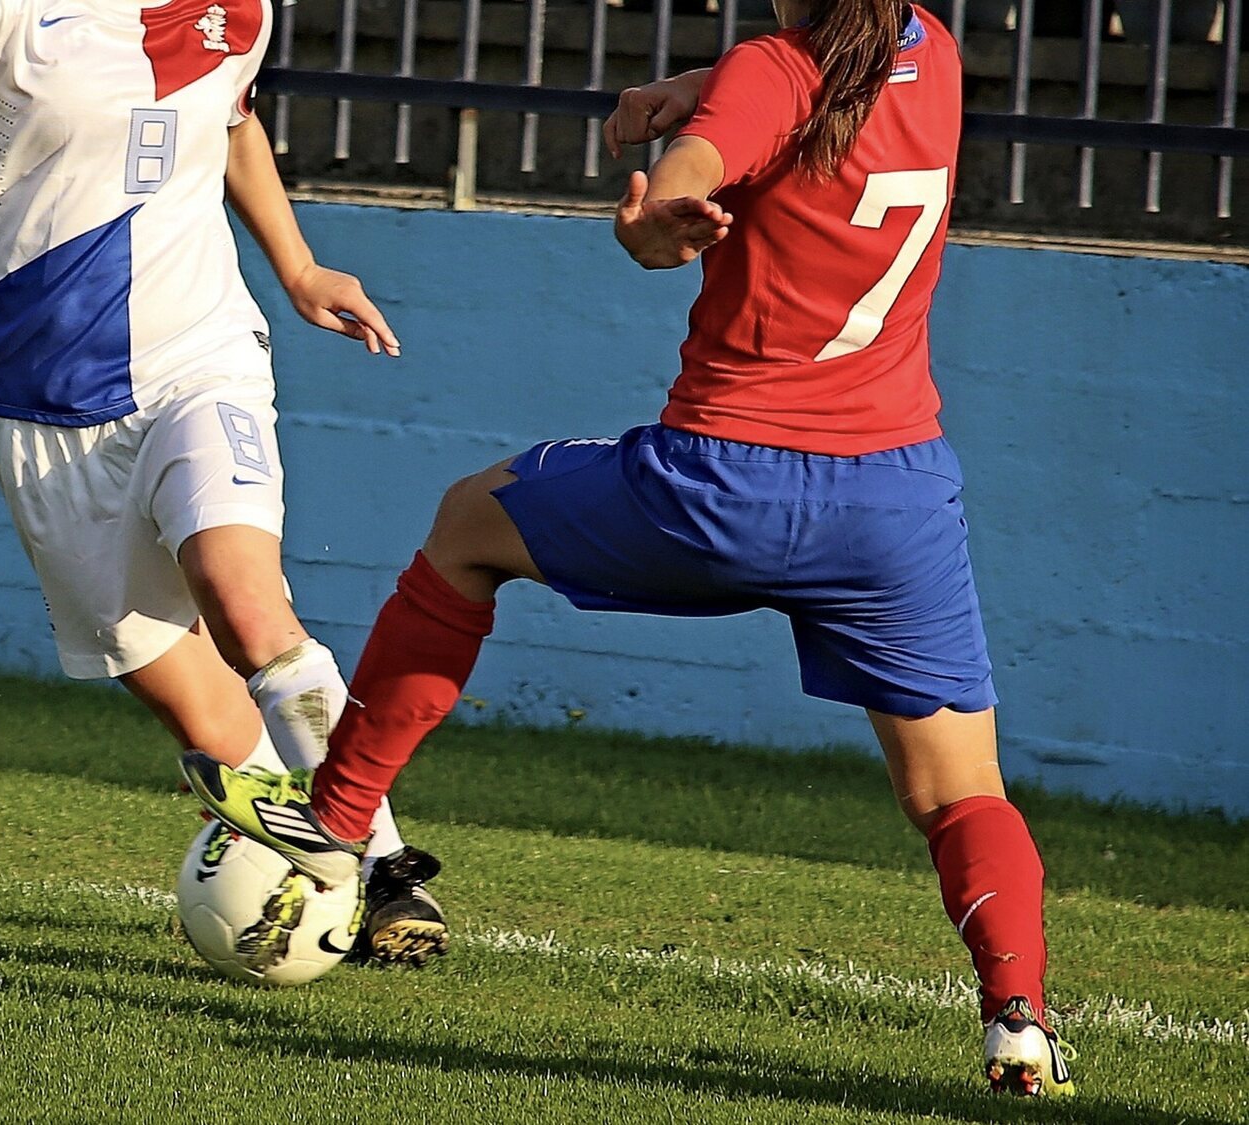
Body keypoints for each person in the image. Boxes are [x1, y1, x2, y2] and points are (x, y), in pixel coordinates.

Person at [182, 0, 1079, 1094]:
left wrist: (656, 213)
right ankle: (1019, 1022)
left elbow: (710, 154)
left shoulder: (773, 69)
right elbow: (784, 94)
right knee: (960, 794)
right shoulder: (924, 47)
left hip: (726, 485)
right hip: (892, 506)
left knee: (470, 526)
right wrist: (692, 91)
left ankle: (337, 816)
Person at [0, 0, 448, 966]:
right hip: (44, 407)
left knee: (247, 605)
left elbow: (231, 118)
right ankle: (306, 871)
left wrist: (297, 266)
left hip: (200, 358)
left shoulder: (241, 11)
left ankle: (384, 868)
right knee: (197, 715)